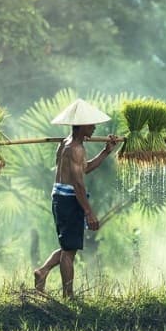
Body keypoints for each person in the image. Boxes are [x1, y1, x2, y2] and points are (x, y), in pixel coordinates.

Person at [33, 99, 117, 298]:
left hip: (60, 197)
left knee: (67, 246)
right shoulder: (75, 149)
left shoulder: (66, 144)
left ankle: (42, 271)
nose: (95, 127)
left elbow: (84, 169)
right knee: (69, 252)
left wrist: (106, 152)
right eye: (91, 124)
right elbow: (78, 184)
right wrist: (89, 212)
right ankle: (68, 295)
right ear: (80, 126)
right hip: (69, 200)